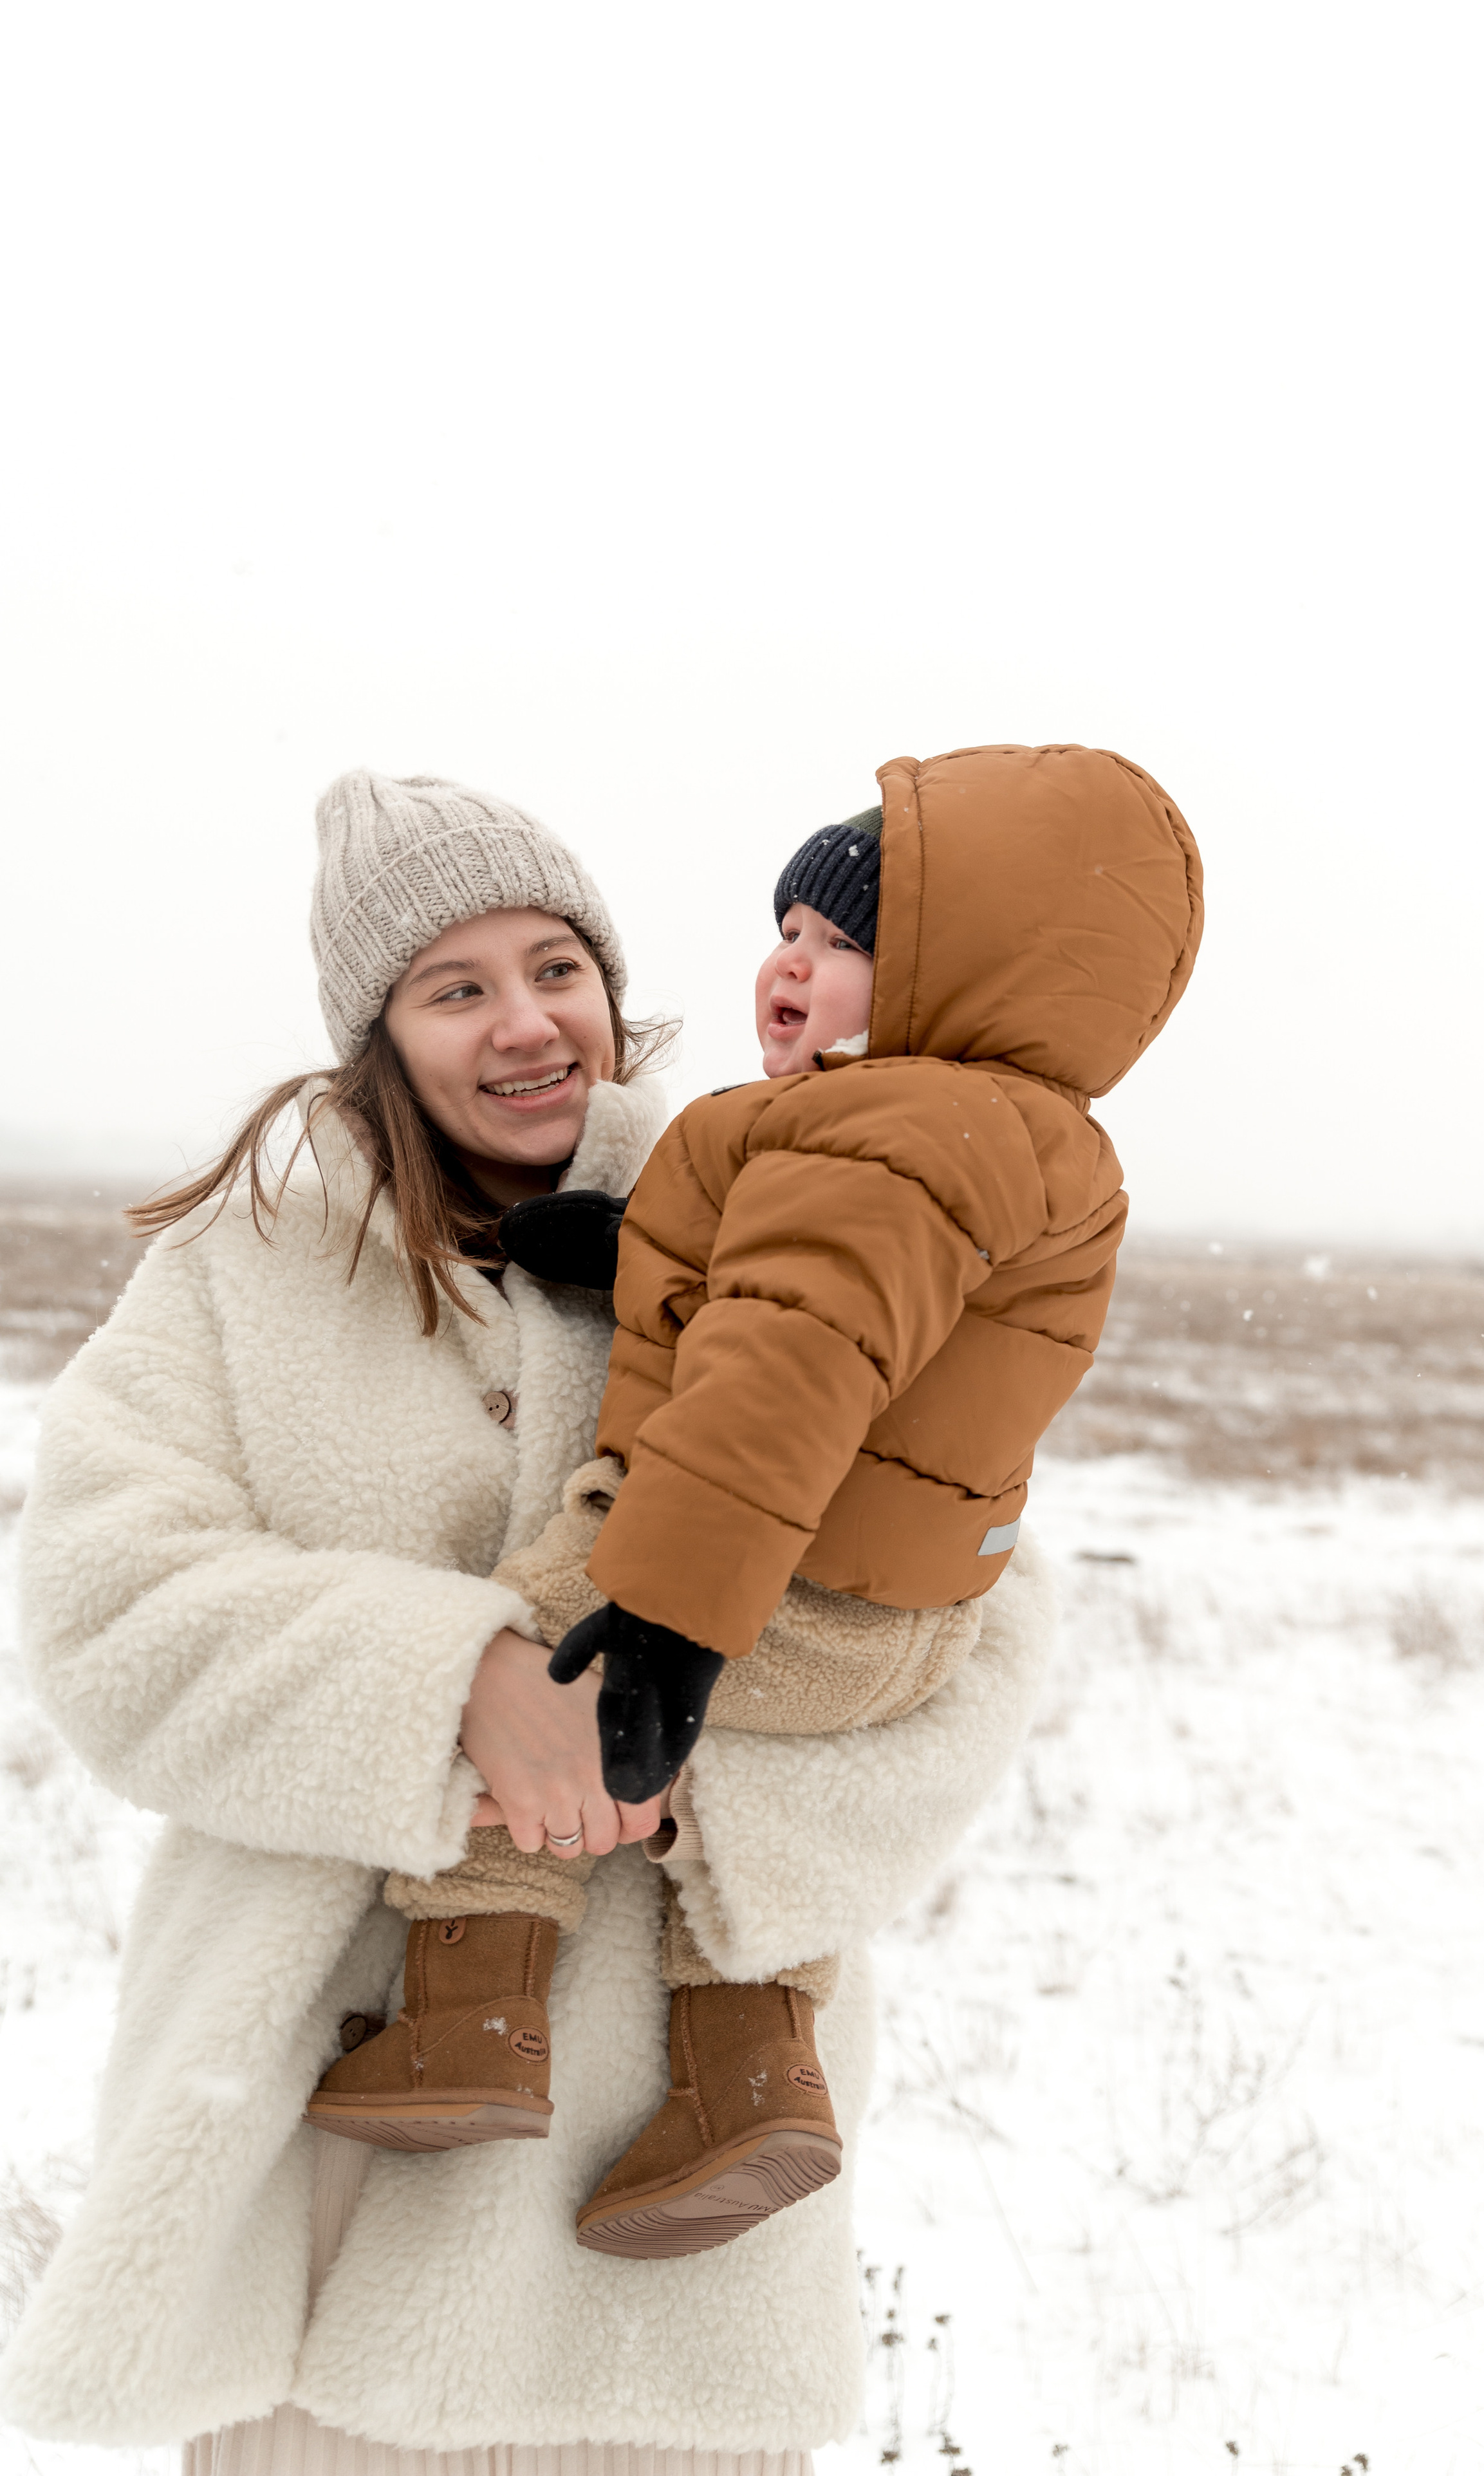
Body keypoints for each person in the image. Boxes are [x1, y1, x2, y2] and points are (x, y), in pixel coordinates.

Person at [0, 768, 1057, 2473]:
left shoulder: (790, 1218)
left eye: (557, 967)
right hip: (319, 2200)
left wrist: (689, 1756)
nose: (525, 1025)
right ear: (378, 1027)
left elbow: (967, 1620)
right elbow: (110, 1609)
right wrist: (457, 1692)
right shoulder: (244, 1264)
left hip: (657, 2227)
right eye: (457, 986)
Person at [304, 744, 1205, 2267]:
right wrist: (629, 1251)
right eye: (784, 930)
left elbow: (788, 1357)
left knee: (543, 1663)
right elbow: (800, 1279)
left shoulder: (891, 1131)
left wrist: (665, 1615)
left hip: (758, 1560)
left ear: (950, 975)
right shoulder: (993, 1133)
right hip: (899, 1597)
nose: (789, 967)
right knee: (730, 1808)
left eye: (843, 945)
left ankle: (468, 2013)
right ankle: (750, 2080)